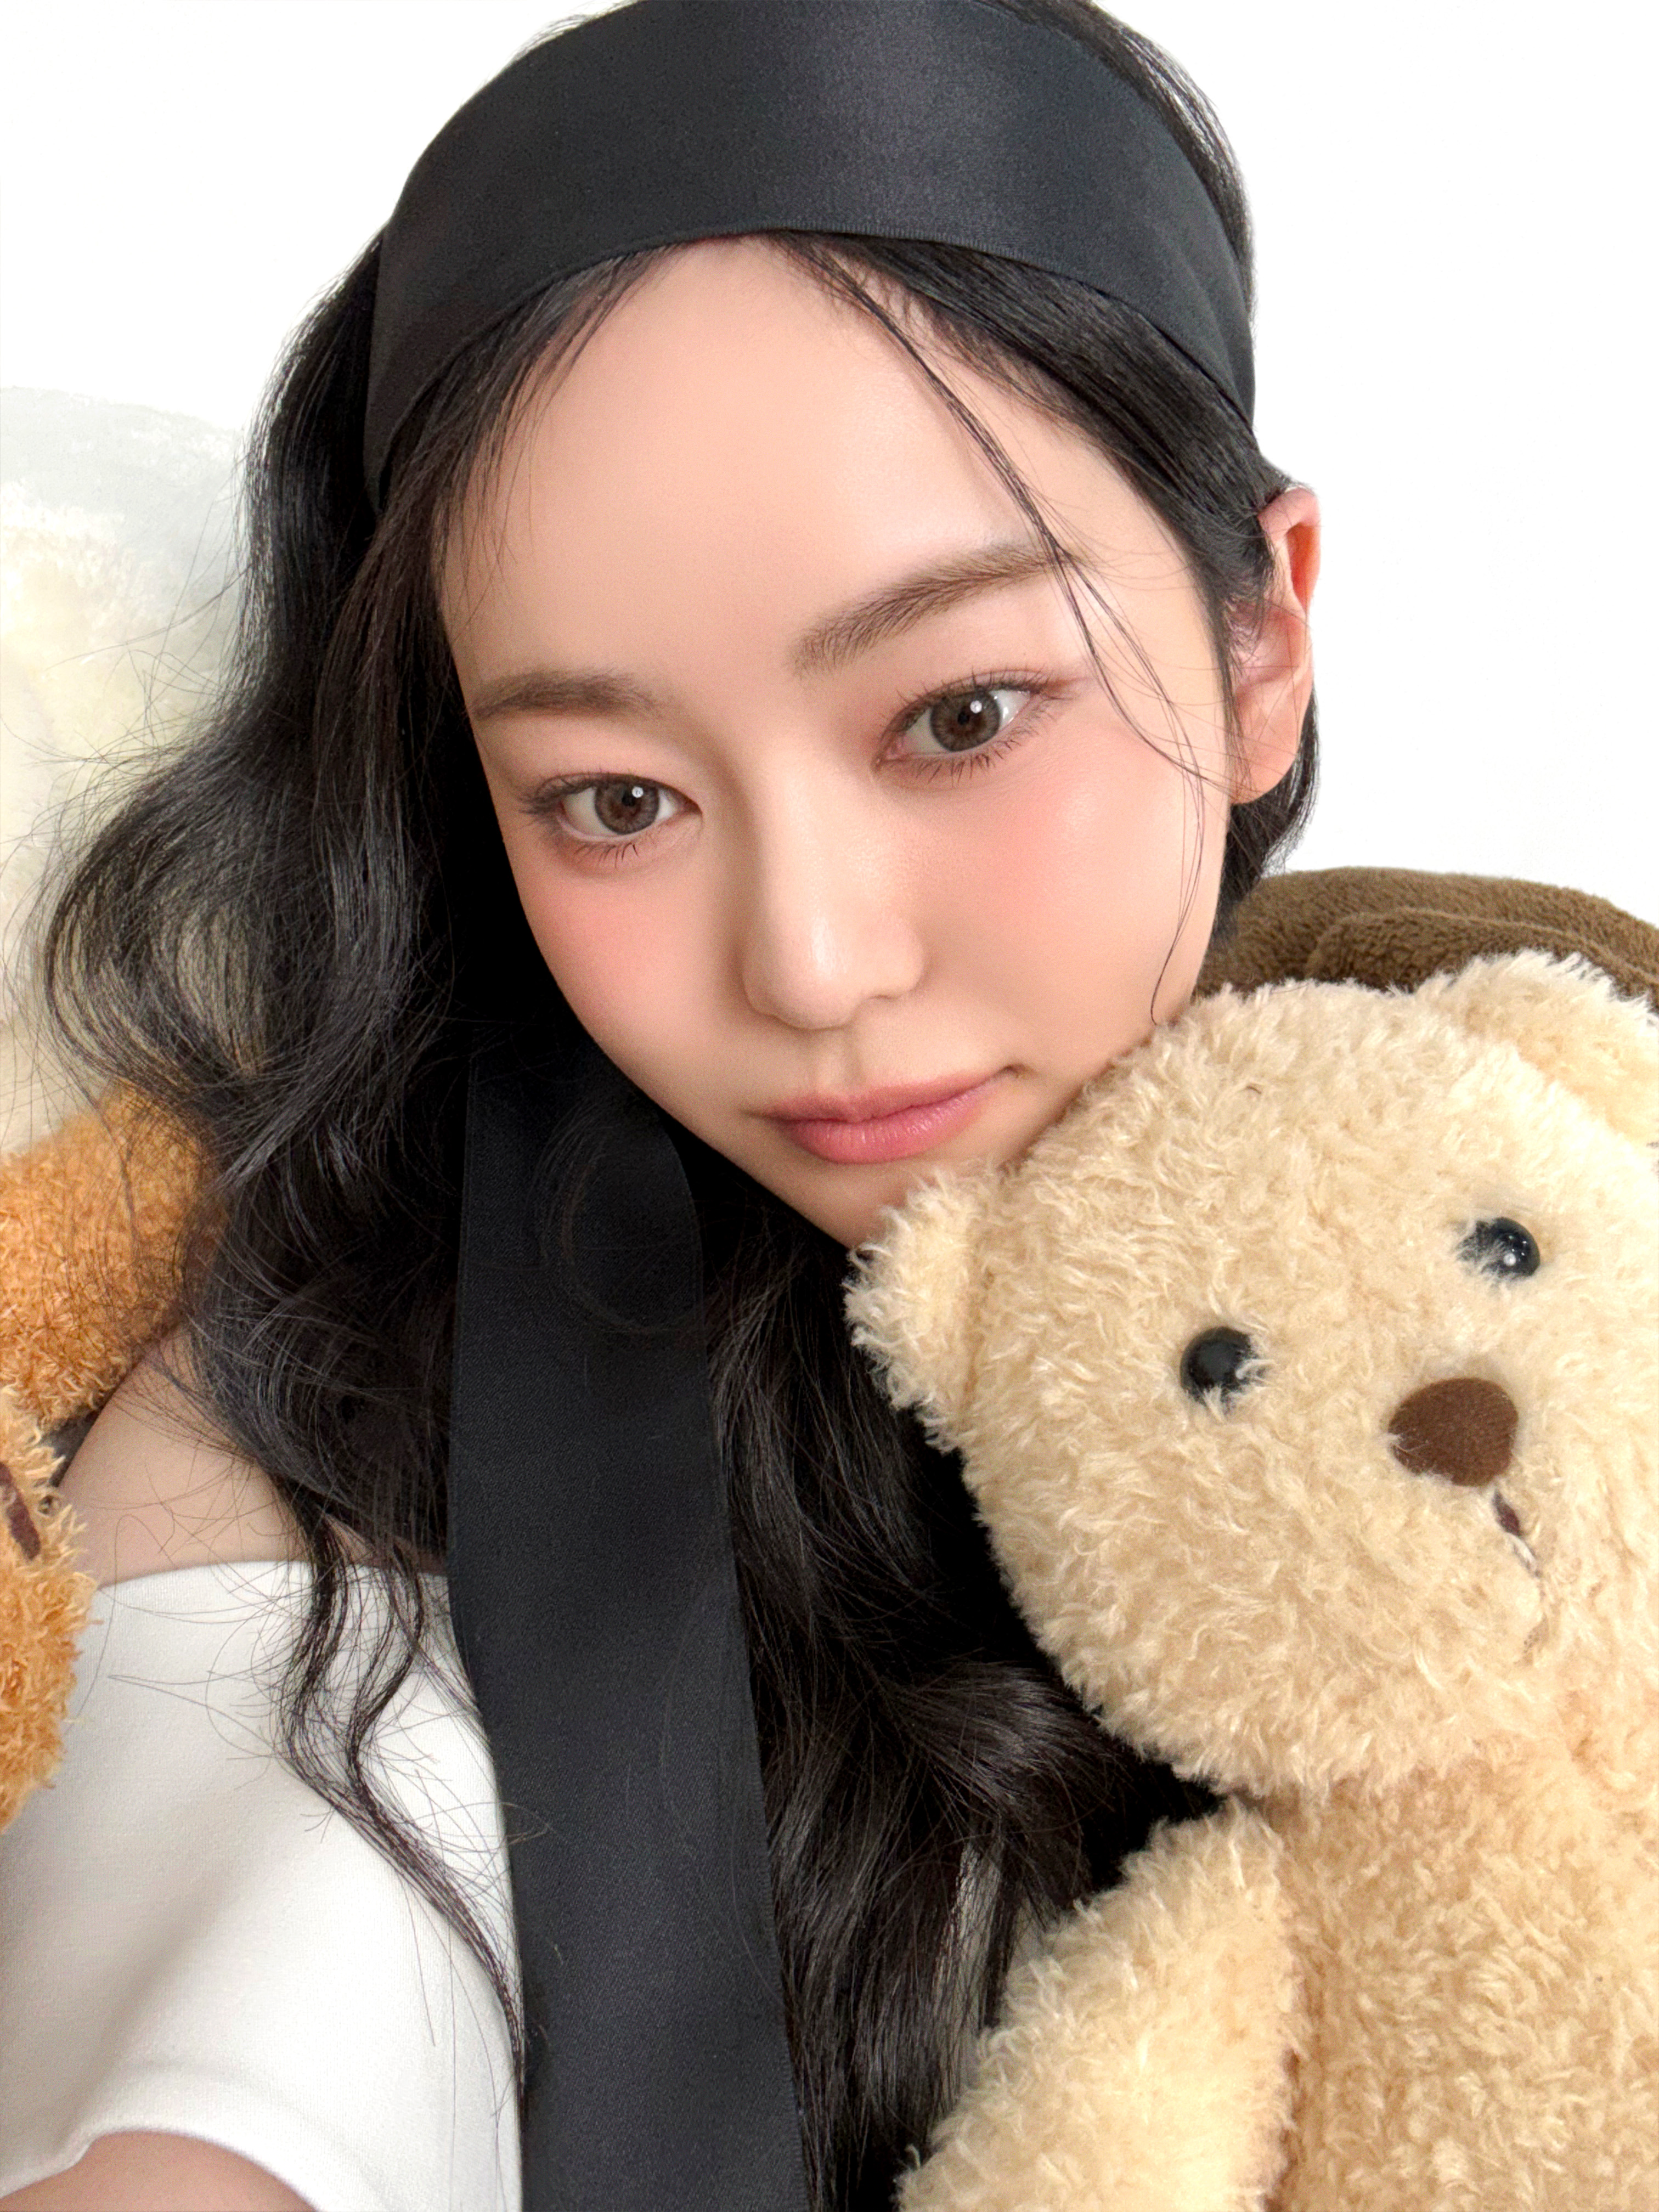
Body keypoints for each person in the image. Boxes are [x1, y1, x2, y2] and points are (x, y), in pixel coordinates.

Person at [2, 2, 1644, 2207]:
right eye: (614, 797)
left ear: (1263, 639)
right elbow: (249, 2003)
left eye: (961, 714)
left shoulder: (1573, 1155)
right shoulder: (354, 1361)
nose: (811, 966)